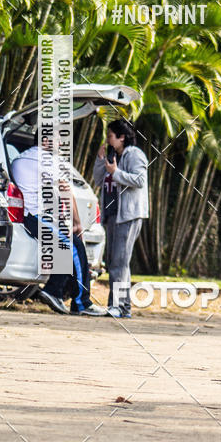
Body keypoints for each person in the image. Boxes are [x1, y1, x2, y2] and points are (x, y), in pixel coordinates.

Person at [11, 144, 106, 316]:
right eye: (57, 138)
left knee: (67, 246)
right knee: (74, 246)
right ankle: (81, 303)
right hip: (33, 215)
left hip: (29, 215)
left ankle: (54, 291)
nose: (61, 143)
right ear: (45, 140)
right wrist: (77, 222)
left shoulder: (21, 157)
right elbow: (65, 190)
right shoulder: (45, 159)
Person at [93, 119, 149, 318]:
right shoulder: (112, 155)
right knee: (114, 261)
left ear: (122, 137)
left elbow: (140, 180)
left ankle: (117, 306)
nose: (108, 140)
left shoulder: (135, 155)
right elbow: (98, 180)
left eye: (110, 136)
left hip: (128, 215)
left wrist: (116, 173)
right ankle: (122, 307)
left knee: (119, 262)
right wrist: (101, 161)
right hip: (112, 215)